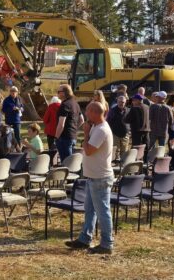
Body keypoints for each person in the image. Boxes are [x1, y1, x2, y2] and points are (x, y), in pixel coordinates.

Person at [65, 101, 114, 254]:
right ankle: (85, 238)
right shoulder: (96, 127)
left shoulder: (101, 130)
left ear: (94, 112)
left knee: (102, 211)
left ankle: (107, 244)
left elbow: (89, 150)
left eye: (87, 112)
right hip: (93, 177)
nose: (85, 115)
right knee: (90, 210)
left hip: (100, 177)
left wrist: (86, 134)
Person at [56, 84, 84, 162]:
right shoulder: (76, 104)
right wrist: (74, 129)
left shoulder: (65, 105)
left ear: (64, 93)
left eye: (58, 92)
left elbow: (61, 124)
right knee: (71, 162)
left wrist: (56, 137)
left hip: (64, 138)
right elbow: (82, 120)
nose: (57, 93)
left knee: (66, 163)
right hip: (73, 137)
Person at [107, 95, 129, 159]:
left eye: (122, 102)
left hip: (125, 134)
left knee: (124, 150)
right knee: (116, 150)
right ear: (117, 101)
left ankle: (123, 164)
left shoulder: (128, 110)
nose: (121, 103)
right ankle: (116, 163)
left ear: (125, 102)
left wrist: (129, 131)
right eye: (119, 102)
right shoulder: (112, 110)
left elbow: (131, 121)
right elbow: (108, 121)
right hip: (115, 133)